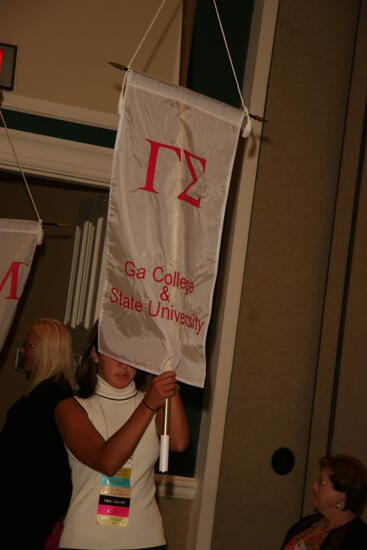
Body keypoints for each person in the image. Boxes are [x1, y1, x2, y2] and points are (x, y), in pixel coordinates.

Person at [56, 321, 189, 550]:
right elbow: (107, 461)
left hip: (146, 539)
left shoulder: (150, 400)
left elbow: (178, 443)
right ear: (96, 354)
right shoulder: (71, 408)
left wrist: (166, 371)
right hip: (87, 542)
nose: (123, 364)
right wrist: (148, 405)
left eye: (131, 354)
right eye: (115, 353)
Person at [0, 318, 76, 549]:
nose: (22, 351)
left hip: (27, 518)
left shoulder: (50, 400)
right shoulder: (57, 395)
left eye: (28, 345)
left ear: (45, 351)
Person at [281, 454, 367, 549]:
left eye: (322, 483)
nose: (314, 486)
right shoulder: (308, 523)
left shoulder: (358, 541)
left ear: (341, 498)